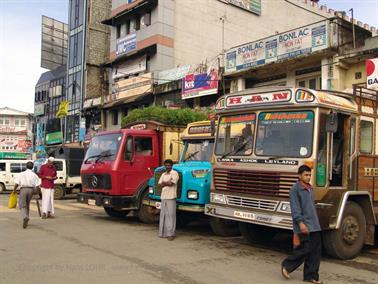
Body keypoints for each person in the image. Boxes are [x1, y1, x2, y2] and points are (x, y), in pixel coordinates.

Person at [281, 165, 322, 284]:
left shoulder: (310, 188)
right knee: (306, 249)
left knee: (315, 252)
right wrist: (300, 223)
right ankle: (287, 265)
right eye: (306, 175)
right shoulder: (295, 189)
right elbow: (295, 208)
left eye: (309, 175)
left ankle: (311, 276)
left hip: (314, 224)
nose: (308, 177)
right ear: (299, 176)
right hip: (304, 225)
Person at [12, 161, 41, 228]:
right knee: (27, 205)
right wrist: (37, 193)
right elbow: (37, 186)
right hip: (31, 190)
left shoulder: (21, 174)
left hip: (23, 189)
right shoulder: (34, 175)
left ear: (26, 166)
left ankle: (25, 217)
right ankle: (27, 217)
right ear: (32, 167)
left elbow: (17, 183)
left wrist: (14, 190)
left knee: (22, 205)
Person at [158, 159, 179, 241]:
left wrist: (165, 183)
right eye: (166, 165)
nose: (167, 167)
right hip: (163, 196)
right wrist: (167, 182)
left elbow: (172, 183)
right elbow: (160, 184)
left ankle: (171, 234)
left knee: (171, 216)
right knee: (163, 215)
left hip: (171, 197)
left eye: (169, 165)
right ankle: (163, 233)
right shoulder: (163, 174)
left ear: (171, 165)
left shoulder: (175, 173)